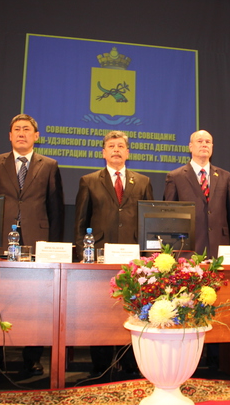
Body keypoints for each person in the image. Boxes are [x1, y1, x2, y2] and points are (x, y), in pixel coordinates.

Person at [0, 113, 65, 376]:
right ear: (10, 135)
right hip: (0, 241)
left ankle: (32, 359)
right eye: (17, 129)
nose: (21, 133)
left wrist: (53, 246)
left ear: (36, 136)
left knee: (37, 302)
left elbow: (56, 209)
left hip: (37, 240)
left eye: (26, 129)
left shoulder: (49, 165)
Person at [74, 130, 153, 377]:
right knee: (100, 311)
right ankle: (100, 365)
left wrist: (148, 259)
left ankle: (131, 364)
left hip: (133, 259)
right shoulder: (89, 181)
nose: (116, 150)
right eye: (111, 146)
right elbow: (80, 222)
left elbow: (149, 222)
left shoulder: (143, 182)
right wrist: (83, 254)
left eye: (120, 146)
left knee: (133, 308)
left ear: (128, 153)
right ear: (103, 152)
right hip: (99, 256)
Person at [164, 130, 230, 257]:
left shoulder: (225, 176)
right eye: (200, 141)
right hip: (188, 250)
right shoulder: (175, 177)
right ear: (190, 146)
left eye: (208, 142)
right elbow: (168, 217)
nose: (204, 144)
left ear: (212, 147)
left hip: (220, 248)